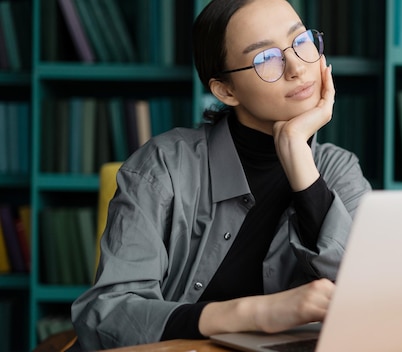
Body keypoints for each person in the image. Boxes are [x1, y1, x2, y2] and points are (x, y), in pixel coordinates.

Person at [70, 0, 372, 349]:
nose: (296, 68)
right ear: (225, 90)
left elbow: (365, 302)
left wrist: (297, 155)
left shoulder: (339, 169)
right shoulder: (164, 165)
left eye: (301, 41)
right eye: (265, 59)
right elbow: (105, 315)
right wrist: (257, 312)